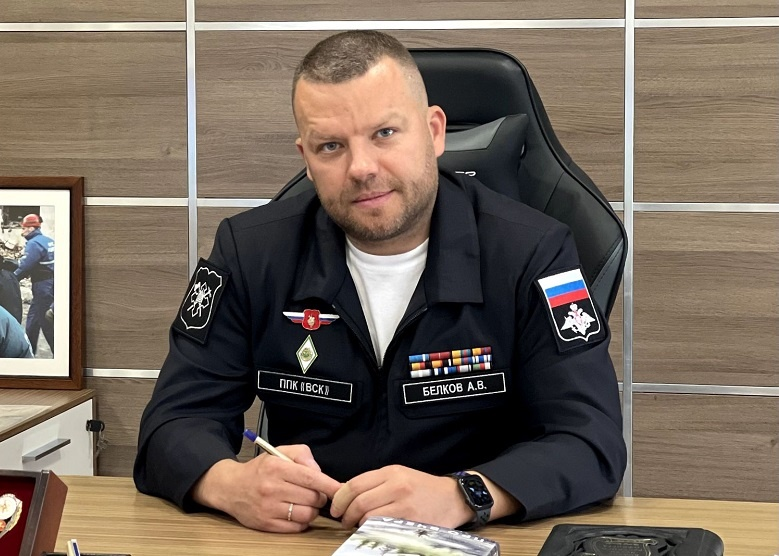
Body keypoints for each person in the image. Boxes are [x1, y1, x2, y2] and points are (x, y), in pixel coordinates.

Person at [134, 30, 626, 534]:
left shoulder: (532, 253)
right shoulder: (252, 253)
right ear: (306, 158)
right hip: (312, 540)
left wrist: (463, 494)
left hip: (472, 540)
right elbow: (170, 425)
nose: (362, 168)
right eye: (331, 146)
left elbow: (591, 443)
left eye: (385, 133)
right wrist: (229, 483)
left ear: (434, 132)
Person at [14, 213, 54, 355]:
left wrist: (11, 279)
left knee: (47, 324)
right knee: (32, 323)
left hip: (43, 287)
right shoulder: (48, 241)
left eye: (24, 228)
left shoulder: (34, 244)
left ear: (31, 228)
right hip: (49, 284)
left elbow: (24, 267)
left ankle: (60, 354)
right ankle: (28, 353)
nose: (22, 231)